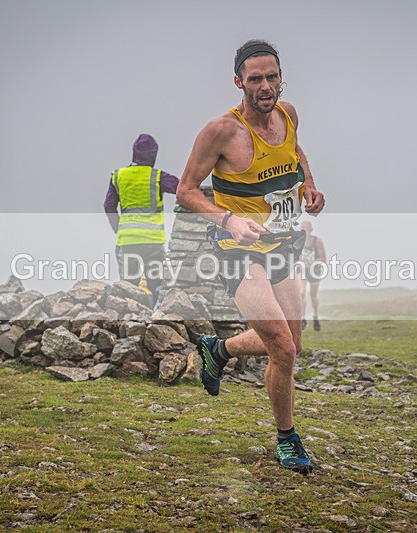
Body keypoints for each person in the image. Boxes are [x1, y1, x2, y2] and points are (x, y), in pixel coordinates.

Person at [176, 40, 325, 474]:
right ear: (239, 81)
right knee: (282, 348)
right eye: (255, 78)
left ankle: (218, 350)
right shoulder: (221, 131)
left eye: (272, 77)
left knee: (292, 345)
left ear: (281, 77)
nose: (265, 86)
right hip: (237, 250)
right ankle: (288, 439)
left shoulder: (288, 115)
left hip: (280, 243)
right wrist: (228, 220)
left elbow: (295, 154)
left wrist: (309, 188)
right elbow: (186, 191)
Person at [104, 134, 179, 307]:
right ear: (154, 154)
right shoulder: (158, 177)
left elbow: (109, 206)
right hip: (153, 243)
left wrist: (118, 228)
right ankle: (156, 322)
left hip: (128, 242)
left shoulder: (118, 176)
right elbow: (183, 189)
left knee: (128, 288)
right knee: (157, 286)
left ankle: (129, 324)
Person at [297, 220, 327, 331]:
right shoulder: (298, 242)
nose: (305, 230)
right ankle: (302, 318)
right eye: (302, 228)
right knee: (301, 293)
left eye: (307, 228)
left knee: (313, 295)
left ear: (311, 229)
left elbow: (323, 259)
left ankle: (315, 316)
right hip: (302, 269)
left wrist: (312, 262)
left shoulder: (317, 241)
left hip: (315, 270)